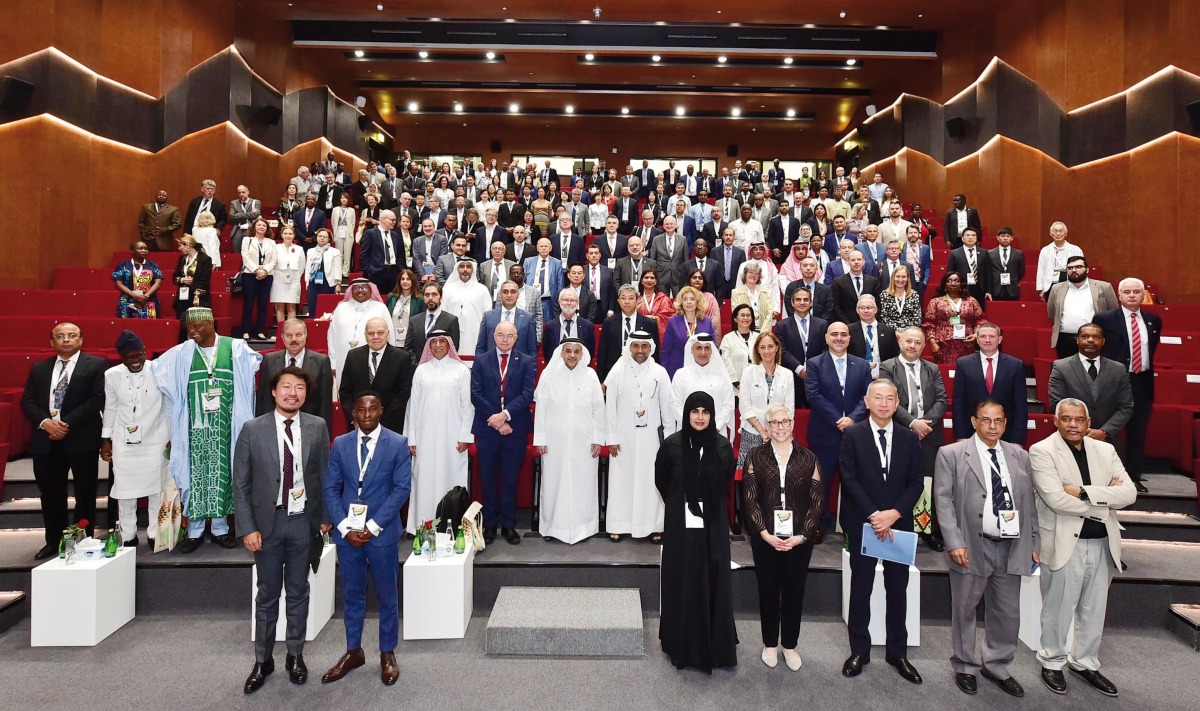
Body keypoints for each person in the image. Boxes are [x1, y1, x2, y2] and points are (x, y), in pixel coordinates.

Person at [1029, 399, 1137, 698]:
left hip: (1103, 541)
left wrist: (1082, 492)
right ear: (1055, 420)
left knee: (1094, 607)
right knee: (1058, 608)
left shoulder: (1105, 450)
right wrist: (1105, 500)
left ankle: (1085, 662)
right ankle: (1051, 661)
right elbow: (1055, 499)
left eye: (1079, 419)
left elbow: (1128, 493)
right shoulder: (1042, 451)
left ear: (1088, 423)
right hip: (1064, 542)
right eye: (1066, 419)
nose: (1073, 425)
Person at [235, 366, 331, 694]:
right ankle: (263, 660)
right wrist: (247, 527)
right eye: (286, 387)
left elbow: (323, 475)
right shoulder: (252, 429)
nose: (293, 393)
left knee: (299, 592)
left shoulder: (317, 427)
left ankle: (295, 655)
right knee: (267, 594)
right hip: (267, 525)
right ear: (274, 392)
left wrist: (324, 516)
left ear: (306, 393)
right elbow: (241, 483)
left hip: (303, 521)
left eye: (299, 388)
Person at [934, 400, 1039, 698]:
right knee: (965, 608)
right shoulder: (951, 454)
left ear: (1005, 423)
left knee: (1006, 612)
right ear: (974, 421)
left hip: (1011, 546)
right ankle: (966, 665)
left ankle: (997, 665)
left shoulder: (1019, 456)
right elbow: (943, 501)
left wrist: (1033, 542)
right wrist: (954, 541)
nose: (992, 426)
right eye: (986, 420)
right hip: (970, 546)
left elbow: (1028, 503)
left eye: (998, 421)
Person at [153, 307, 262, 553]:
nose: (192, 332)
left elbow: (254, 365)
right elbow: (159, 372)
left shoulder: (234, 349)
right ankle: (194, 531)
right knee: (195, 478)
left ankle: (221, 529)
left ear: (211, 323)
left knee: (224, 475)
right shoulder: (182, 353)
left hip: (227, 428)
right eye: (189, 327)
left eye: (198, 326)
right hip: (194, 430)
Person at [321, 391, 411, 688]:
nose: (368, 414)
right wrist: (346, 527)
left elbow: (400, 490)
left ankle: (387, 652)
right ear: (354, 414)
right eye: (362, 410)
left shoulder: (397, 443)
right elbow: (332, 488)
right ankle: (353, 651)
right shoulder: (341, 444)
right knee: (352, 594)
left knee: (387, 595)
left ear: (381, 411)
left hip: (381, 533)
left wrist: (371, 527)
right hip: (348, 534)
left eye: (373, 409)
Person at [839, 379, 925, 684]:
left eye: (890, 398)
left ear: (897, 401)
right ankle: (859, 651)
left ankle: (897, 653)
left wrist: (895, 513)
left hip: (898, 524)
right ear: (867, 400)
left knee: (897, 589)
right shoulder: (852, 435)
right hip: (864, 522)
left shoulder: (909, 437)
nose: (884, 403)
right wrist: (875, 515)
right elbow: (848, 478)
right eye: (878, 398)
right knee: (861, 588)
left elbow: (916, 482)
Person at [655, 391, 738, 673]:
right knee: (683, 576)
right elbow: (662, 480)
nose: (700, 417)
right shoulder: (671, 446)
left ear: (712, 415)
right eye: (695, 412)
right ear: (687, 414)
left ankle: (715, 645)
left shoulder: (723, 448)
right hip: (681, 526)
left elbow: (726, 481)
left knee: (713, 577)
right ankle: (680, 643)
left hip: (713, 525)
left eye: (705, 412)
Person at [742, 402, 822, 672]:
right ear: (767, 425)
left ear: (792, 424)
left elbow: (816, 502)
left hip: (799, 538)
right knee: (767, 591)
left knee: (793, 592)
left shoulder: (808, 457)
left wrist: (802, 536)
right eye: (774, 422)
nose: (779, 427)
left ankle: (789, 645)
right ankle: (769, 644)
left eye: (784, 421)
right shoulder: (755, 455)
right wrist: (764, 533)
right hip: (765, 537)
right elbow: (750, 499)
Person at [22, 323, 107, 559]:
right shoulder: (39, 368)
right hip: (46, 439)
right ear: (52, 342)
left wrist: (64, 424)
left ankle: (83, 539)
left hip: (81, 438)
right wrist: (45, 423)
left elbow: (96, 399)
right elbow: (27, 401)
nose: (66, 339)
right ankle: (55, 541)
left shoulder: (97, 365)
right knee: (51, 494)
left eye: (71, 335)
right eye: (60, 336)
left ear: (81, 339)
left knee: (86, 492)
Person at [880, 327, 949, 551]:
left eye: (917, 342)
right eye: (908, 341)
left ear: (923, 345)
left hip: (929, 434)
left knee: (927, 483)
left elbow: (942, 399)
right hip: (900, 433)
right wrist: (912, 423)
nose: (912, 346)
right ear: (900, 342)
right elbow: (889, 401)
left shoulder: (933, 368)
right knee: (898, 482)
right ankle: (898, 527)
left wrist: (925, 424)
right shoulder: (887, 367)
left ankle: (925, 530)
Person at [101, 330, 171, 549]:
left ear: (145, 352)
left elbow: (169, 405)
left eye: (140, 355)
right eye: (130, 357)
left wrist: (171, 436)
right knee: (125, 490)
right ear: (121, 357)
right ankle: (128, 534)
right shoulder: (111, 375)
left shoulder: (159, 370)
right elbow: (110, 408)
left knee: (155, 488)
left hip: (156, 438)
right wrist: (106, 439)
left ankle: (154, 533)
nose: (136, 360)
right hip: (124, 441)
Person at [605, 331, 675, 542]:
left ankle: (653, 526)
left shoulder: (660, 372)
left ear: (651, 348)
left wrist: (670, 441)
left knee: (650, 481)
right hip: (623, 437)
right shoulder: (618, 371)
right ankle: (618, 524)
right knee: (621, 481)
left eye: (644, 346)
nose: (640, 351)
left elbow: (668, 409)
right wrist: (612, 438)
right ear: (629, 348)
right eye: (636, 346)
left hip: (651, 439)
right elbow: (610, 408)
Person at [534, 339, 605, 544]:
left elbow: (599, 410)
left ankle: (585, 527)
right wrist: (540, 438)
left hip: (584, 442)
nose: (572, 355)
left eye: (576, 351)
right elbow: (541, 409)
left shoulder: (590, 376)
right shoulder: (549, 376)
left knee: (584, 485)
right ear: (561, 353)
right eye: (568, 351)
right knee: (554, 483)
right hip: (554, 442)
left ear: (582, 355)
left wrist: (598, 438)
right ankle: (552, 526)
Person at [471, 321, 536, 545]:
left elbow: (527, 394)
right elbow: (475, 394)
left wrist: (506, 415)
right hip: (487, 429)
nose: (505, 339)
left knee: (510, 479)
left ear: (516, 338)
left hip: (514, 429)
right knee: (487, 479)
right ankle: (489, 525)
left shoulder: (526, 361)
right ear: (493, 336)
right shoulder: (480, 360)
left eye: (510, 335)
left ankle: (508, 525)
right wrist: (497, 420)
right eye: (501, 335)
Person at [403, 330, 473, 534]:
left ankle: (452, 527)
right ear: (429, 346)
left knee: (451, 479)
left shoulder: (460, 370)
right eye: (434, 342)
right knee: (424, 480)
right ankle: (422, 526)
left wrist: (464, 436)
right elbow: (413, 407)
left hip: (453, 439)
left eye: (443, 341)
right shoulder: (421, 370)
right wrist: (412, 438)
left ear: (449, 345)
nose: (439, 345)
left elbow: (467, 406)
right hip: (424, 438)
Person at [1094, 278, 1159, 493]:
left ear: (1143, 295)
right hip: (1113, 382)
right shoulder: (1104, 319)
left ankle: (1133, 478)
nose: (1132, 295)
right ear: (1119, 296)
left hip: (1142, 382)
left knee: (1137, 432)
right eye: (1127, 292)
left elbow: (1152, 349)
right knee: (1106, 431)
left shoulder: (1153, 320)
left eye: (1136, 292)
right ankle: (1105, 477)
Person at [805, 322, 870, 519]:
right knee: (821, 482)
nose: (839, 338)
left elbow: (866, 397)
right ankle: (819, 522)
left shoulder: (862, 365)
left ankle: (850, 525)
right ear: (826, 338)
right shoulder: (814, 363)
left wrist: (851, 419)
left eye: (843, 334)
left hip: (855, 433)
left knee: (854, 482)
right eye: (834, 334)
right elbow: (813, 396)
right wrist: (839, 420)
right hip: (824, 434)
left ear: (850, 339)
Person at [1048, 323, 1134, 450]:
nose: (1090, 340)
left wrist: (1104, 431)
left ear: (1103, 341)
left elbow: (1126, 406)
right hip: (1070, 439)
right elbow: (1057, 403)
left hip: (1108, 441)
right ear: (1077, 340)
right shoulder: (1061, 367)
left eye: (1096, 337)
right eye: (1085, 336)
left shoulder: (1118, 369)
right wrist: (1080, 429)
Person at [952, 322, 1028, 445]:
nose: (987, 340)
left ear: (1000, 339)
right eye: (982, 336)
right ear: (977, 339)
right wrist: (961, 436)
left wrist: (1018, 440)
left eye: (991, 336)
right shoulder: (963, 364)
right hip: (971, 434)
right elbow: (958, 404)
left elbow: (1020, 406)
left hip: (1006, 436)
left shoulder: (1015, 365)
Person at [338, 317, 415, 436]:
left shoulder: (402, 357)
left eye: (380, 332)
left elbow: (403, 393)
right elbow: (345, 391)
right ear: (365, 335)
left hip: (390, 427)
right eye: (371, 333)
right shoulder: (353, 356)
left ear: (388, 334)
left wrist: (378, 421)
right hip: (358, 427)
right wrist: (355, 419)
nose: (375, 337)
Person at [256, 319, 334, 434]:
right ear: (282, 337)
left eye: (298, 335)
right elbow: (263, 399)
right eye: (289, 335)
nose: (294, 339)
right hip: (275, 428)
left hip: (309, 428)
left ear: (306, 335)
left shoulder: (321, 362)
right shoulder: (269, 360)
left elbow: (325, 403)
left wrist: (323, 434)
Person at [736, 331, 795, 467]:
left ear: (777, 348)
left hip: (779, 434)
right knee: (750, 478)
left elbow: (789, 409)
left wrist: (775, 431)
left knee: (774, 478)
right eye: (762, 347)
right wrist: (762, 432)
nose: (766, 351)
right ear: (757, 350)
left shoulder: (787, 374)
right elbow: (744, 405)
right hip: (752, 432)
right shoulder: (749, 372)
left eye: (770, 346)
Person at [327, 279, 393, 392]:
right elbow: (332, 336)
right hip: (343, 360)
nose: (360, 291)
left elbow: (390, 336)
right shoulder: (341, 308)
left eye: (364, 287)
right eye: (356, 288)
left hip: (374, 362)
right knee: (347, 395)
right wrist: (333, 362)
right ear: (351, 291)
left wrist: (389, 362)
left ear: (371, 290)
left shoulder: (380, 308)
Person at [1047, 256, 1117, 359]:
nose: (1074, 270)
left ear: (1087, 269)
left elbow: (1113, 311)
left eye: (1078, 267)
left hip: (1093, 338)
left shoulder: (1104, 287)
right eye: (1070, 268)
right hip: (1065, 339)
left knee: (1092, 371)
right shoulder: (1056, 288)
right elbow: (1052, 313)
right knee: (1067, 372)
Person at [671, 333, 736, 441]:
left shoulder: (722, 376)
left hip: (716, 434)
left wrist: (716, 427)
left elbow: (728, 405)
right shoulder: (681, 375)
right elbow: (675, 403)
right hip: (688, 434)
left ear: (712, 350)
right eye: (699, 348)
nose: (703, 352)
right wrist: (690, 425)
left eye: (707, 348)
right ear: (691, 350)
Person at [597, 284, 661, 382]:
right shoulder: (609, 323)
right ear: (618, 301)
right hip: (614, 375)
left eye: (631, 298)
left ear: (637, 300)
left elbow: (654, 353)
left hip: (642, 374)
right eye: (623, 298)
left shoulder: (649, 324)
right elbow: (602, 353)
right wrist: (601, 380)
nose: (627, 302)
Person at [922, 271, 985, 366]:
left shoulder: (971, 301)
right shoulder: (935, 302)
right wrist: (933, 343)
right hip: (943, 345)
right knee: (947, 374)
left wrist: (976, 334)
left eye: (956, 281)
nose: (953, 283)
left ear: (961, 285)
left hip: (967, 344)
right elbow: (929, 324)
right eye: (949, 281)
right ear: (944, 285)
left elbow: (980, 320)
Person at [441, 258, 494, 356]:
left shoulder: (482, 290)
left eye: (468, 267)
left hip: (475, 334)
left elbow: (487, 315)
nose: (465, 270)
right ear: (457, 269)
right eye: (462, 266)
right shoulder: (448, 289)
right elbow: (443, 315)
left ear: (472, 270)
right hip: (452, 334)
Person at [660, 285, 714, 378]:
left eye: (692, 299)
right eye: (685, 299)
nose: (689, 302)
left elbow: (712, 348)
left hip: (702, 370)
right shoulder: (673, 322)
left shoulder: (707, 322)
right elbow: (666, 350)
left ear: (697, 302)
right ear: (681, 302)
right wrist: (664, 374)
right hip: (677, 370)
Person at [478, 280, 539, 359]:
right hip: (491, 367)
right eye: (505, 292)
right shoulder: (488, 317)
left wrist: (530, 370)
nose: (509, 295)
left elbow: (532, 351)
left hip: (519, 368)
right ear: (500, 295)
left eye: (513, 292)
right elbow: (481, 348)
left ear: (518, 295)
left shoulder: (528, 318)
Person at [170, 235, 213, 342]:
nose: (179, 248)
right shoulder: (182, 259)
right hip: (183, 295)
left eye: (181, 246)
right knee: (183, 324)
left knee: (197, 324)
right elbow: (175, 277)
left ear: (188, 245)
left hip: (198, 296)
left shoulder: (205, 259)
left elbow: (204, 280)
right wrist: (182, 280)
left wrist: (197, 295)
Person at [241, 218, 277, 341]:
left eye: (264, 226)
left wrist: (265, 271)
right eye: (259, 225)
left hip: (267, 275)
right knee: (248, 304)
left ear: (267, 229)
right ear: (254, 227)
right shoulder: (247, 240)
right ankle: (246, 331)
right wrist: (257, 270)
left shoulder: (271, 242)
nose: (261, 227)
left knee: (263, 304)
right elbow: (245, 257)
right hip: (250, 275)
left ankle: (260, 331)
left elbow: (274, 259)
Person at [847, 295, 899, 378]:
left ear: (875, 310)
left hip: (883, 374)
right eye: (862, 308)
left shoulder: (888, 331)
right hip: (857, 374)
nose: (866, 310)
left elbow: (894, 355)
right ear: (857, 310)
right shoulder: (849, 330)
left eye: (869, 307)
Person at [112, 241, 164, 319]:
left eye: (145, 248)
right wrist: (135, 296)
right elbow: (119, 283)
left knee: (150, 326)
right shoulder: (123, 265)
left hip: (148, 299)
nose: (144, 250)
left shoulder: (153, 265)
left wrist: (145, 296)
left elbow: (158, 283)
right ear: (132, 251)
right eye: (140, 248)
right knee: (126, 326)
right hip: (128, 299)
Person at [542, 288, 595, 361]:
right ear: (559, 302)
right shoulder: (550, 326)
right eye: (566, 300)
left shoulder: (587, 326)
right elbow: (547, 353)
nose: (569, 303)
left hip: (579, 369)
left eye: (573, 300)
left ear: (577, 303)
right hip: (556, 369)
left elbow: (589, 353)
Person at [1035, 221, 1083, 299]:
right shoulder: (1045, 250)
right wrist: (1041, 289)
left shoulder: (1076, 249)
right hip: (1050, 283)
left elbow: (1081, 269)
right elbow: (1041, 270)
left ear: (1065, 233)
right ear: (1051, 234)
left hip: (1069, 282)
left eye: (1061, 231)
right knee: (1052, 308)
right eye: (1055, 231)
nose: (1058, 234)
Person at [304, 228, 342, 319]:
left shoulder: (335, 251)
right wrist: (307, 282)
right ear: (316, 237)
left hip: (328, 282)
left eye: (325, 237)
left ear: (329, 239)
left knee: (326, 306)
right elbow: (308, 267)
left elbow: (337, 268)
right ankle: (313, 325)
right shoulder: (310, 251)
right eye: (320, 236)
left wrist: (338, 283)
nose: (322, 238)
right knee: (312, 305)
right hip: (313, 281)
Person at [271, 225, 305, 327]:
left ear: (294, 235)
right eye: (285, 233)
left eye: (290, 233)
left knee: (291, 308)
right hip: (278, 278)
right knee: (279, 308)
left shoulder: (299, 249)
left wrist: (295, 276)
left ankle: (290, 331)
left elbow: (302, 266)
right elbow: (272, 262)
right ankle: (281, 331)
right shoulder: (275, 247)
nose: (288, 236)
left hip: (294, 279)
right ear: (281, 235)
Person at [720, 304, 759, 389]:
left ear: (752, 319)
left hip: (757, 384)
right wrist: (736, 383)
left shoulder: (758, 337)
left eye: (748, 315)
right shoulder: (728, 338)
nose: (745, 318)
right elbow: (725, 361)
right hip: (734, 387)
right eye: (742, 315)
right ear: (735, 319)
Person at [731, 262, 776, 333]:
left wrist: (763, 333)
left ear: (759, 276)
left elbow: (769, 313)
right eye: (750, 272)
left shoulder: (767, 291)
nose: (753, 275)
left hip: (764, 331)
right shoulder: (736, 292)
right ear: (745, 275)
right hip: (744, 331)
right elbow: (736, 313)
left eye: (756, 273)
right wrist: (748, 332)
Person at [635, 268, 676, 343]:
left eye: (652, 278)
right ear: (641, 281)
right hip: (640, 335)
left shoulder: (663, 299)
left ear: (656, 281)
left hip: (659, 336)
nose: (649, 280)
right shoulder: (636, 300)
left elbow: (670, 318)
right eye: (646, 277)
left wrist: (655, 318)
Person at [384, 268, 422, 348]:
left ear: (413, 281)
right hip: (392, 341)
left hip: (410, 343)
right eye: (402, 279)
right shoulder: (391, 297)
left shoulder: (419, 300)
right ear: (399, 281)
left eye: (408, 279)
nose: (405, 281)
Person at [878, 264, 921, 330]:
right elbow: (883, 317)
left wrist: (905, 332)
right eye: (898, 276)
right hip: (890, 332)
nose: (900, 280)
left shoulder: (914, 295)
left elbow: (917, 318)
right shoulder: (884, 295)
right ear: (893, 278)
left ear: (907, 278)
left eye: (903, 277)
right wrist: (896, 331)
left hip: (909, 333)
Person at [987, 227, 1025, 301]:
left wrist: (1013, 279)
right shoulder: (990, 253)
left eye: (1008, 236)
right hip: (996, 288)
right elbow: (988, 272)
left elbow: (1021, 272)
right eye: (1002, 236)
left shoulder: (1018, 254)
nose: (1005, 238)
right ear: (998, 238)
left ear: (1012, 238)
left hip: (1012, 288)